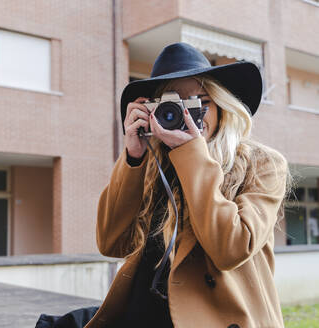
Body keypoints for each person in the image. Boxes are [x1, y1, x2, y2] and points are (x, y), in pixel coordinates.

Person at [36, 42, 293, 328]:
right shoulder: (153, 165)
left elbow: (231, 248)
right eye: (174, 104)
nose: (187, 114)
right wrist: (133, 158)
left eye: (199, 102)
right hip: (146, 313)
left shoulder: (262, 164)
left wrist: (194, 156)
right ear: (155, 111)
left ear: (221, 106)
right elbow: (112, 242)